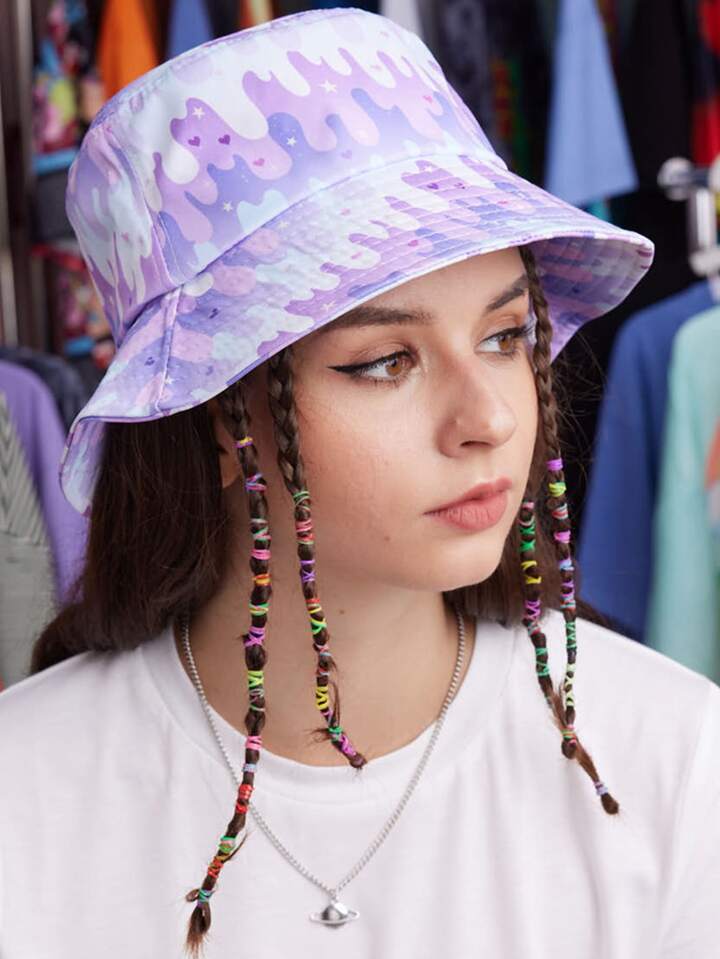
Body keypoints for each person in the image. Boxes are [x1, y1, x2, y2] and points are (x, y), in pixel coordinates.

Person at [0, 7, 718, 959]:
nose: (490, 418)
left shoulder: (672, 759)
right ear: (211, 414)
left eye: (505, 337)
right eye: (385, 361)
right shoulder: (27, 795)